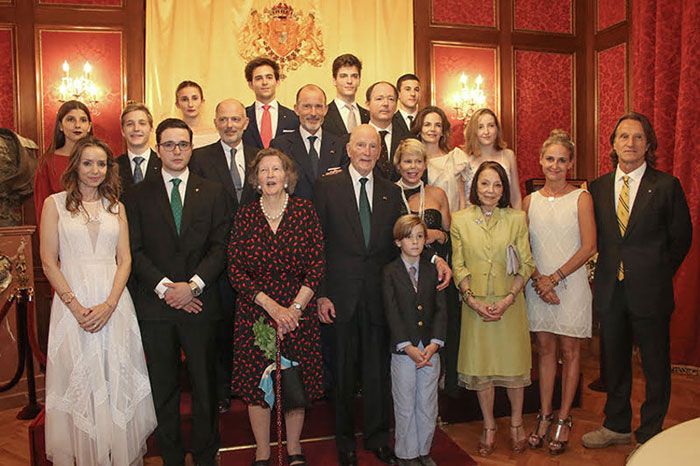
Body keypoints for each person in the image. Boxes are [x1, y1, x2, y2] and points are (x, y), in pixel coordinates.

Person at [314, 124, 452, 466]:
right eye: (360, 145)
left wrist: (435, 260)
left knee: (377, 373)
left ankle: (377, 437)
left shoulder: (391, 192)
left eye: (372, 146)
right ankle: (345, 442)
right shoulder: (326, 187)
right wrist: (321, 293)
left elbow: (406, 239)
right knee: (344, 374)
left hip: (381, 299)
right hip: (340, 299)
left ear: (379, 152)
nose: (366, 151)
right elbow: (316, 244)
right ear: (348, 149)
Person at [40, 136, 156, 465]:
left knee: (113, 376)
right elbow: (48, 261)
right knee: (81, 378)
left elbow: (126, 260)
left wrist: (109, 304)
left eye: (101, 164)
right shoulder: (55, 204)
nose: (95, 170)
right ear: (75, 165)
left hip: (114, 304)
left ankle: (116, 453)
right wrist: (75, 307)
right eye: (88, 163)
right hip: (71, 304)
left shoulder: (116, 207)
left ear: (109, 169)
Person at [582, 113, 692, 450]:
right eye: (624, 137)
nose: (630, 143)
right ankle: (615, 425)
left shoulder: (666, 185)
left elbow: (681, 238)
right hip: (610, 292)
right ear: (613, 143)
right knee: (613, 362)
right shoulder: (597, 187)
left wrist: (656, 271)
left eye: (638, 137)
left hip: (651, 292)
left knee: (655, 364)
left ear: (648, 145)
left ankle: (650, 433)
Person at [124, 118, 228, 466]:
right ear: (157, 149)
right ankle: (170, 455)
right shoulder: (137, 194)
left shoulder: (212, 191)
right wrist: (167, 289)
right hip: (156, 307)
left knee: (204, 385)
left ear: (191, 147)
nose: (177, 150)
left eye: (183, 144)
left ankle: (204, 454)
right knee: (164, 387)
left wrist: (193, 286)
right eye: (169, 144)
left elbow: (220, 246)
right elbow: (133, 250)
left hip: (201, 303)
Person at [228, 148, 324, 466]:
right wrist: (272, 307)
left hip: (298, 313)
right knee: (257, 384)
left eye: (276, 169)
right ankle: (262, 449)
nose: (270, 175)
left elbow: (317, 265)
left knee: (295, 380)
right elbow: (235, 270)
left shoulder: (304, 211)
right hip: (256, 312)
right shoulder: (245, 215)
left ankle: (294, 447)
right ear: (255, 179)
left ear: (287, 176)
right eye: (264, 170)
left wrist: (294, 309)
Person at [450, 161, 534, 457]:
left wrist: (508, 299)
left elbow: (526, 263)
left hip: (509, 304)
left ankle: (515, 424)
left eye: (497, 185)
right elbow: (457, 265)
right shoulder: (459, 220)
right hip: (475, 306)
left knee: (513, 370)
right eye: (485, 184)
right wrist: (472, 300)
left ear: (504, 189)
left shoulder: (516, 218)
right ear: (476, 187)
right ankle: (488, 425)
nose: (491, 190)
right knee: (483, 370)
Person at [523, 129, 596, 455]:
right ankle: (543, 414)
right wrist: (540, 280)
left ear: (570, 164)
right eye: (549, 159)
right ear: (540, 161)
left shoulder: (581, 197)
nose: (554, 165)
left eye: (561, 160)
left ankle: (564, 418)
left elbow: (590, 246)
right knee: (545, 350)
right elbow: (522, 247)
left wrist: (554, 278)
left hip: (571, 285)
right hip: (538, 287)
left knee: (570, 351)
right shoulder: (528, 202)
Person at [189, 98, 258, 414]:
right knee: (219, 328)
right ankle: (221, 390)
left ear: (245, 123)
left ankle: (252, 384)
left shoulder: (261, 157)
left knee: (253, 327)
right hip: (216, 257)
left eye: (236, 119)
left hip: (256, 258)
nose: (230, 125)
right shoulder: (200, 159)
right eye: (224, 119)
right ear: (216, 123)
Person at [393, 138, 462, 396]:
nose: (412, 167)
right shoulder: (389, 193)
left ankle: (445, 380)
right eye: (407, 161)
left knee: (441, 323)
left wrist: (437, 236)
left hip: (436, 274)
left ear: (425, 164)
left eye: (418, 161)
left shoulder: (437, 194)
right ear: (398, 164)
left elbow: (449, 235)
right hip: (404, 274)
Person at [382, 215, 447, 466]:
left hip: (430, 349)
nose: (415, 242)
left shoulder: (433, 270)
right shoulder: (389, 272)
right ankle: (406, 453)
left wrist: (434, 343)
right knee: (405, 403)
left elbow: (441, 309)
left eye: (420, 236)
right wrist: (406, 346)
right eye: (409, 237)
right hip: (404, 351)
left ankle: (423, 450)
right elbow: (392, 311)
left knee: (428, 403)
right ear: (398, 242)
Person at [270, 84, 349, 200]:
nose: (313, 113)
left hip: (331, 216)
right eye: (307, 106)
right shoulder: (280, 146)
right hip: (295, 215)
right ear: (296, 109)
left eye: (318, 106)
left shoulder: (340, 145)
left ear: (325, 110)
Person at [34, 100, 93, 224]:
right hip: (61, 230)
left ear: (89, 127)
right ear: (60, 126)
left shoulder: (99, 159)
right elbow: (41, 207)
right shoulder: (48, 161)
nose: (77, 125)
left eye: (83, 120)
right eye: (71, 119)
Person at [412, 106, 470, 212]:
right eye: (427, 124)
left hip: (453, 222)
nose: (432, 129)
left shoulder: (455, 159)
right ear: (419, 129)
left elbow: (462, 200)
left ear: (443, 131)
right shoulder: (413, 163)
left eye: (437, 125)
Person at [464, 108, 522, 210]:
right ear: (474, 131)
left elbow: (515, 196)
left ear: (497, 129)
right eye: (480, 127)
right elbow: (461, 198)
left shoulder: (508, 155)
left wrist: (520, 221)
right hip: (473, 219)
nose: (486, 132)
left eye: (491, 126)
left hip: (503, 217)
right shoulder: (465, 158)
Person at [242, 57, 299, 149]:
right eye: (258, 78)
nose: (264, 82)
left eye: (269, 77)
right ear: (250, 84)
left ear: (277, 82)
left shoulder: (293, 118)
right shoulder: (242, 117)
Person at [116, 102, 161, 197]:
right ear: (122, 131)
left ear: (151, 128)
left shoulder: (164, 164)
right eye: (130, 124)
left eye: (142, 123)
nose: (136, 128)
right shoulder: (113, 166)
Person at [367, 81, 409, 180]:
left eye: (391, 99)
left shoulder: (408, 139)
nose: (385, 104)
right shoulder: (352, 139)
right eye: (379, 99)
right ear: (367, 104)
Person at [322, 54, 370, 138]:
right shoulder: (323, 114)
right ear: (334, 80)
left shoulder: (369, 116)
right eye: (343, 76)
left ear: (359, 80)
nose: (349, 81)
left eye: (354, 76)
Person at [175, 80, 218, 148]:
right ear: (177, 104)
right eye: (184, 99)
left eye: (195, 98)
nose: (190, 104)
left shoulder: (216, 134)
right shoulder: (172, 135)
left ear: (202, 102)